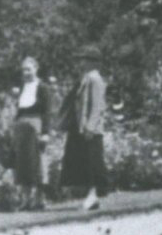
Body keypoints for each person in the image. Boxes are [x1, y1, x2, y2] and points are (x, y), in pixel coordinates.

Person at [60, 55, 109, 211]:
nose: (81, 63)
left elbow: (97, 105)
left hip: (90, 129)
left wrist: (90, 126)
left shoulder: (95, 79)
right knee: (84, 163)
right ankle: (91, 195)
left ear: (92, 62)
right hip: (81, 127)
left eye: (84, 60)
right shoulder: (85, 78)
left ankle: (93, 195)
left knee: (92, 163)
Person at [8, 56, 56, 210]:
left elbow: (47, 112)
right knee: (23, 164)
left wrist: (46, 133)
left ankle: (40, 199)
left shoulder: (43, 88)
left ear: (36, 68)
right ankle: (26, 200)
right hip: (21, 128)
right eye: (24, 69)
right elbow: (19, 110)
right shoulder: (23, 88)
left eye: (29, 69)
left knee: (38, 162)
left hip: (36, 126)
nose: (26, 72)